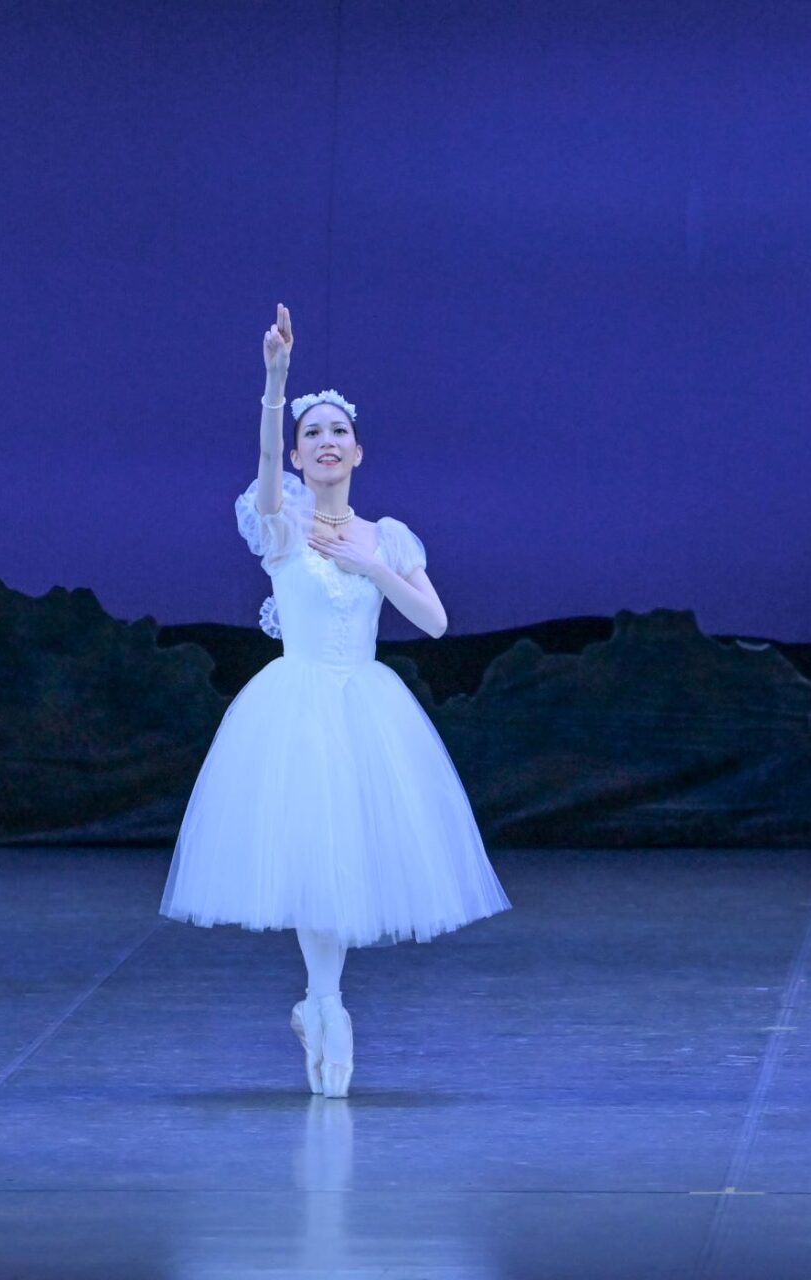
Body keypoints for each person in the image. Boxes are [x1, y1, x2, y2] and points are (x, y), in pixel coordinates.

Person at [160, 304, 510, 1097]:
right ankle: (325, 1005)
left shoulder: (386, 535)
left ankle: (322, 1003)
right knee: (315, 856)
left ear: (357, 451)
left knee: (341, 861)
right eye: (311, 433)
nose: (325, 441)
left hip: (366, 707)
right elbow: (263, 469)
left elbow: (436, 620)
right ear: (297, 454)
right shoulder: (281, 525)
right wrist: (276, 382)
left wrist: (374, 564)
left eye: (338, 432)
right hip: (295, 707)